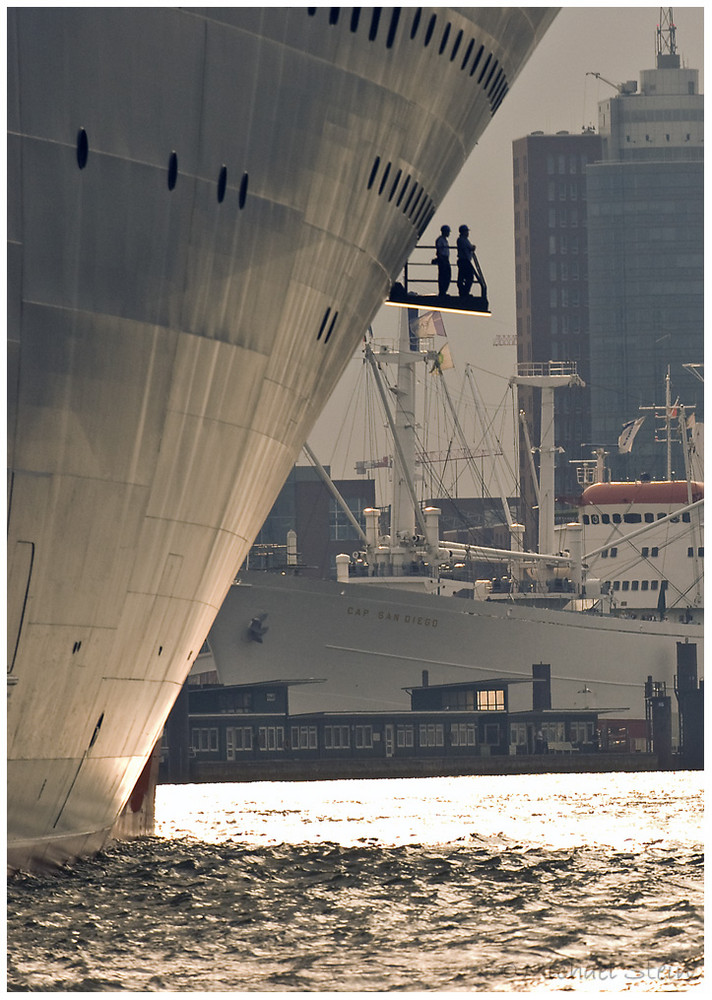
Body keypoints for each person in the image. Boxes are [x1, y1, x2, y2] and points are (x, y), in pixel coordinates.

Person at [456, 224, 476, 298]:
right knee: (468, 277)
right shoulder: (462, 240)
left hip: (464, 260)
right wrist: (472, 248)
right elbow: (469, 248)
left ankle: (464, 292)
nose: (468, 233)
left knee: (463, 277)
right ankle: (464, 292)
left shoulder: (463, 240)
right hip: (464, 260)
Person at [434, 225, 451, 296]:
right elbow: (439, 251)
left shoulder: (444, 240)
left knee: (447, 275)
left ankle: (444, 291)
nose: (449, 233)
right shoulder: (440, 240)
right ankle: (442, 291)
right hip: (442, 259)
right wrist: (441, 259)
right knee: (443, 275)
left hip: (445, 259)